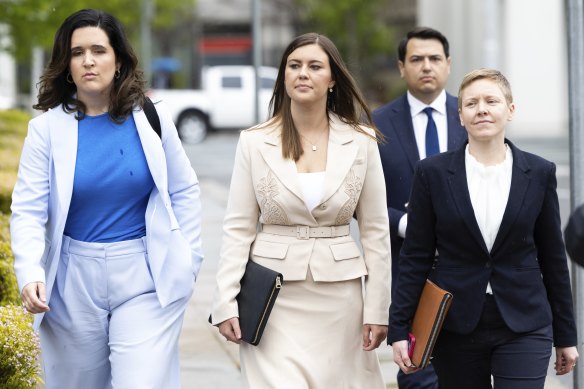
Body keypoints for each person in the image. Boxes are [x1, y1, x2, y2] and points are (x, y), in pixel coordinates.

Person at [10, 9, 203, 389]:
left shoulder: (151, 118)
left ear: (119, 60)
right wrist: (30, 271)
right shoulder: (45, 131)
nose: (88, 61)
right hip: (71, 280)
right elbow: (28, 210)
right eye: (77, 52)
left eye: (98, 50)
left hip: (144, 274)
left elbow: (184, 190)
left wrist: (189, 258)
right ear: (67, 65)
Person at [210, 32, 391, 387]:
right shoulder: (254, 141)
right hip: (272, 299)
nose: (302, 73)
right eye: (294, 66)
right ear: (284, 77)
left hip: (340, 300)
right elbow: (238, 227)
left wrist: (378, 308)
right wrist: (225, 300)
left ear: (333, 79)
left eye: (314, 66)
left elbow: (375, 231)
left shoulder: (361, 141)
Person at [388, 68, 579, 388]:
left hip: (524, 322)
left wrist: (566, 335)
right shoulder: (431, 174)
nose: (482, 109)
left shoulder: (539, 172)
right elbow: (415, 256)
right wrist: (399, 329)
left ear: (510, 110)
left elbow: (553, 259)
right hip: (455, 323)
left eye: (492, 101)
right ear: (460, 115)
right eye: (471, 103)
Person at [372, 26, 466, 389]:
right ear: (401, 67)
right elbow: (359, 199)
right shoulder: (375, 124)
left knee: (467, 369)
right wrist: (406, 224)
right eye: (416, 59)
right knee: (416, 370)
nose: (426, 66)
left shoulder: (472, 114)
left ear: (448, 64)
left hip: (468, 266)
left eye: (434, 59)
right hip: (407, 268)